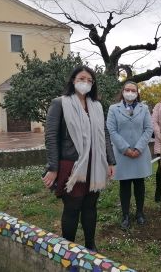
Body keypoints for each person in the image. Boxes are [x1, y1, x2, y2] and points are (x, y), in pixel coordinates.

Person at [43, 66, 116, 251]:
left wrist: (110, 160)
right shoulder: (59, 103)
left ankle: (91, 247)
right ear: (73, 80)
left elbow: (104, 134)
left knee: (91, 206)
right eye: (82, 78)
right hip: (72, 165)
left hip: (95, 164)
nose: (86, 83)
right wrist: (53, 167)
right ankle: (69, 249)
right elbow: (51, 137)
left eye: (90, 80)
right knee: (72, 207)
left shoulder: (97, 106)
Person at [107, 81, 153, 230]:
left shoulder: (144, 108)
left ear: (137, 93)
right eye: (127, 90)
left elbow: (148, 129)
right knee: (125, 185)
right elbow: (112, 130)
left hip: (140, 153)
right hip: (123, 154)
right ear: (123, 91)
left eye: (133, 90)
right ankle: (125, 215)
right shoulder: (114, 109)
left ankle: (140, 213)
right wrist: (125, 149)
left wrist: (138, 148)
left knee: (140, 185)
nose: (130, 92)